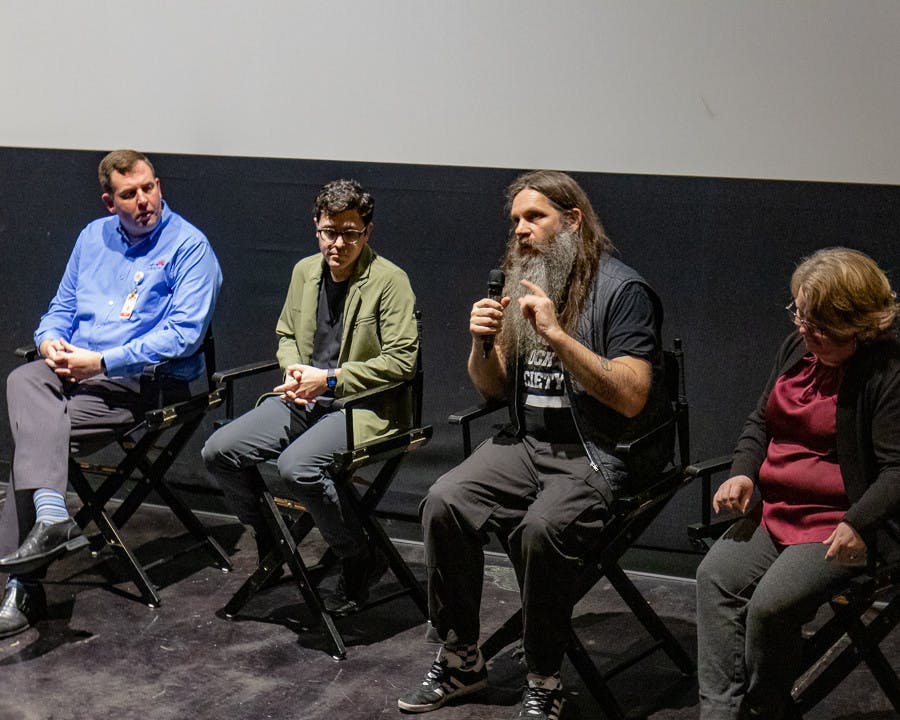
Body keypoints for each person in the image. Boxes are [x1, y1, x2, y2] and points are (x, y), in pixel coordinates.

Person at [397, 170, 672, 720]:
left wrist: (557, 336)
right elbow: (493, 388)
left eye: (535, 217)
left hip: (596, 449)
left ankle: (545, 677)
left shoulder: (623, 292)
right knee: (444, 501)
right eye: (516, 220)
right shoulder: (522, 281)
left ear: (573, 221)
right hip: (527, 444)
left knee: (542, 529)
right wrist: (479, 343)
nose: (520, 230)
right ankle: (461, 659)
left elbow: (633, 397)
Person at [0, 149, 222, 637]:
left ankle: (23, 585)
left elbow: (183, 336)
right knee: (23, 378)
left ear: (158, 184)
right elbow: (61, 307)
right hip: (75, 369)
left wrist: (100, 361)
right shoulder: (92, 237)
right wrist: (47, 340)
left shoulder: (190, 247)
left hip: (141, 382)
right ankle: (53, 515)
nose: (144, 201)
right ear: (109, 201)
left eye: (149, 188)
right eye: (129, 194)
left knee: (35, 445)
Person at [695, 247, 900, 720]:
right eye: (800, 315)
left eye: (819, 323)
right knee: (715, 577)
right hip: (777, 510)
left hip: (839, 524)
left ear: (859, 323)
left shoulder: (886, 372)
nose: (805, 330)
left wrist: (858, 521)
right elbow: (760, 421)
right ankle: (720, 712)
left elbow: (896, 471)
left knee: (771, 605)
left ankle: (766, 707)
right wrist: (742, 471)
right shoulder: (798, 349)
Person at [201, 179, 417, 616]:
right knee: (218, 450)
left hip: (362, 406)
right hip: (303, 398)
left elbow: (401, 362)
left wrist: (331, 380)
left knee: (297, 467)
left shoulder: (391, 281)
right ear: (316, 228)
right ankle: (273, 538)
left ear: (367, 232)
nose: (337, 243)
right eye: (328, 232)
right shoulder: (304, 272)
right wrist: (294, 369)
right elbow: (285, 333)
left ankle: (357, 556)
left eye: (349, 233)